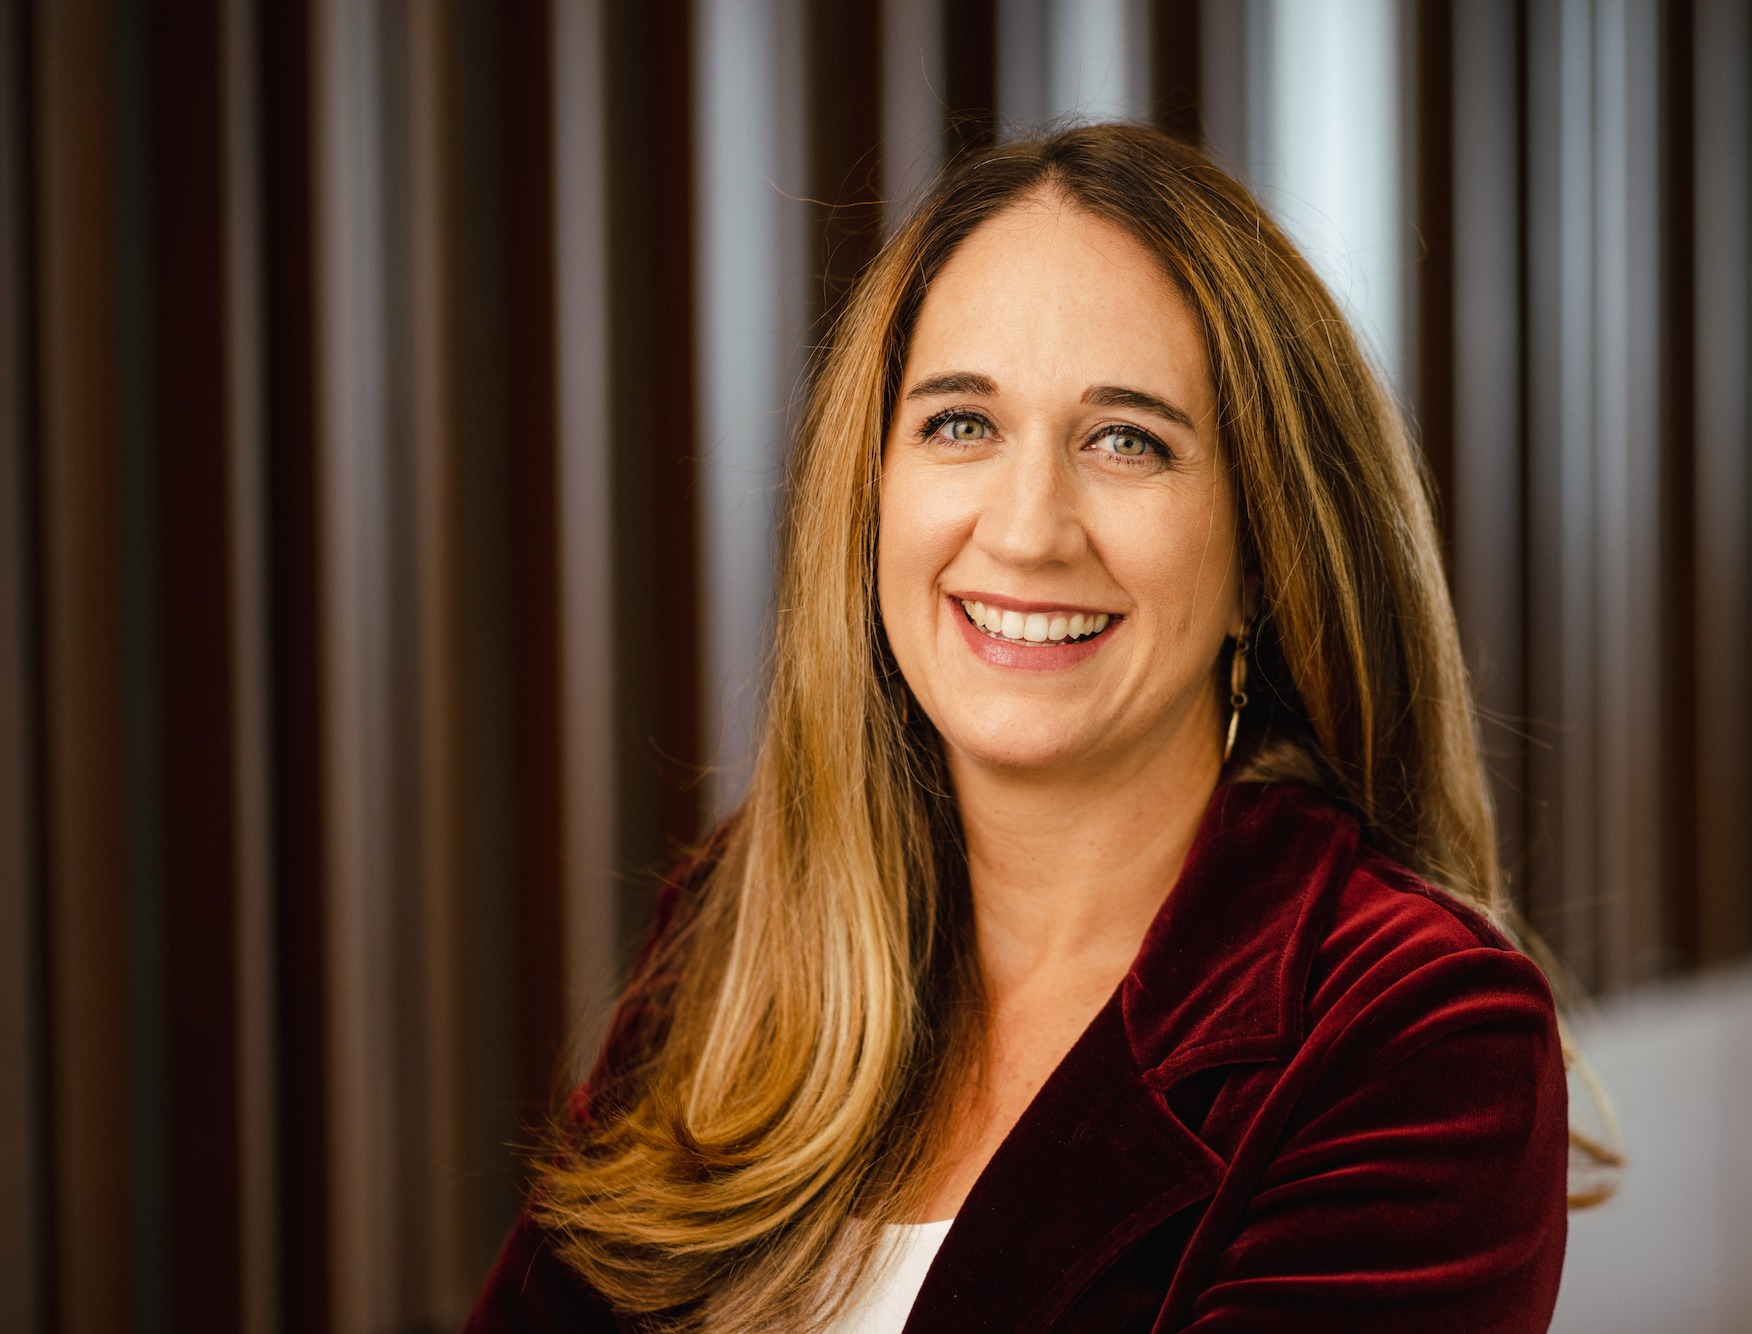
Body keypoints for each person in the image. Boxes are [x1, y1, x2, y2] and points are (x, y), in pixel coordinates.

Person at [465, 122, 1569, 1333]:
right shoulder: (751, 921)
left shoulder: (1415, 1034)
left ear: (1265, 548)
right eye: (959, 423)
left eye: (1125, 440)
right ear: (871, 489)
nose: (1028, 528)